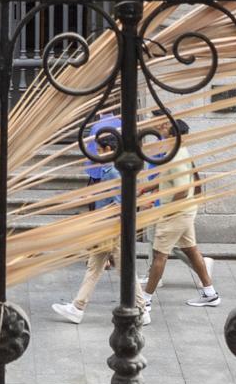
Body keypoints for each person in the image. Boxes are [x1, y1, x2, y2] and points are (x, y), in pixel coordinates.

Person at [50, 109, 220, 322]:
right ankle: (78, 307)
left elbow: (125, 202)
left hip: (116, 227)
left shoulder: (116, 170)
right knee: (95, 266)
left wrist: (159, 208)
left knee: (138, 266)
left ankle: (142, 306)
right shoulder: (119, 166)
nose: (96, 153)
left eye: (99, 149)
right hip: (110, 227)